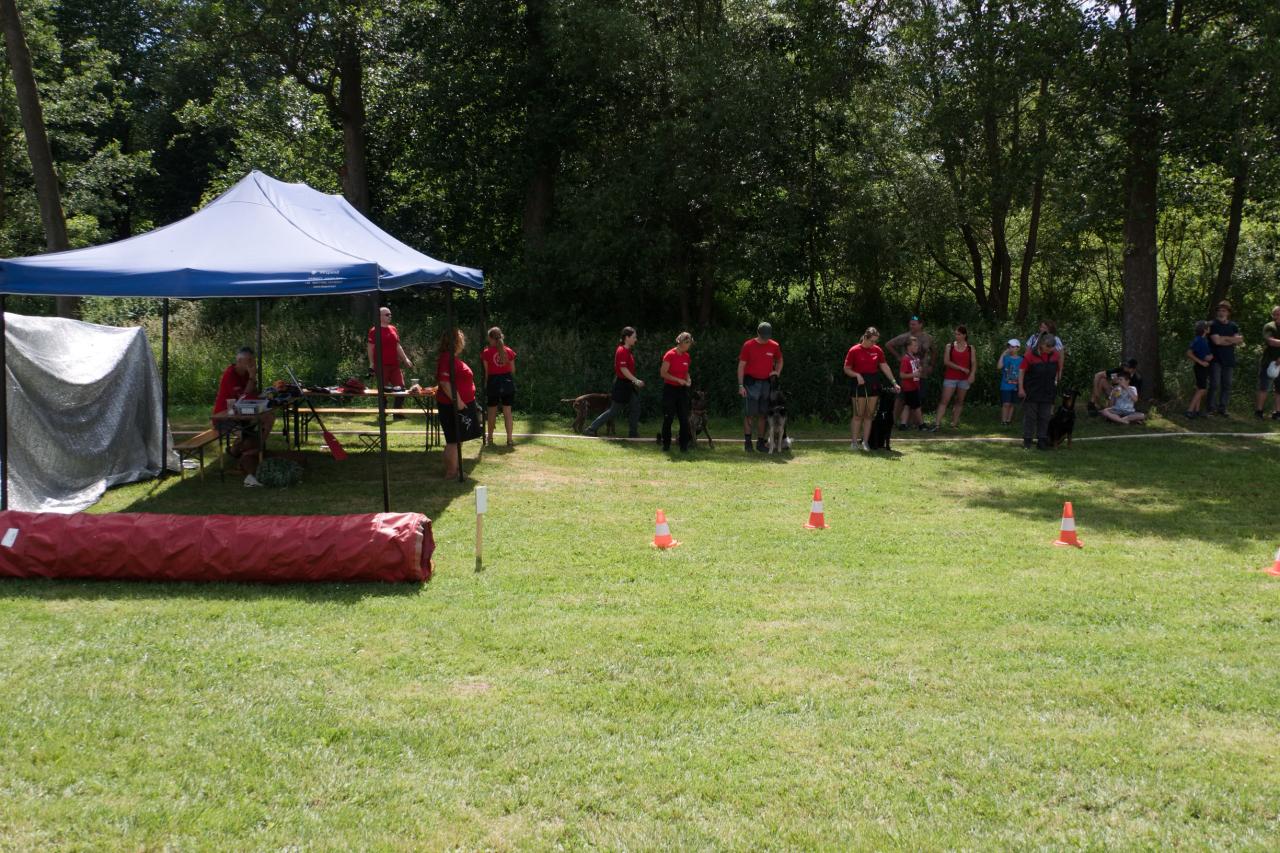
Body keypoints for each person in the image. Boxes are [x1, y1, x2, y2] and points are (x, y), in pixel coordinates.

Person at [212, 346, 269, 487]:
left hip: (241, 414)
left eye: (253, 361)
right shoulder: (230, 374)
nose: (252, 364)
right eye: (249, 361)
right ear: (239, 361)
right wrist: (252, 377)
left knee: (268, 418)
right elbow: (243, 397)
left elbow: (252, 393)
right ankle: (247, 462)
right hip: (224, 417)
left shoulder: (245, 373)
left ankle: (252, 450)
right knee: (247, 438)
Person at [843, 327, 900, 452]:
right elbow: (846, 369)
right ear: (865, 338)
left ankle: (865, 442)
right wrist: (857, 375)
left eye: (876, 341)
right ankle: (854, 443)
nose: (874, 344)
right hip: (859, 384)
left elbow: (884, 366)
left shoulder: (877, 350)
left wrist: (894, 382)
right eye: (872, 341)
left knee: (869, 415)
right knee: (858, 415)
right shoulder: (854, 350)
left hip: (873, 383)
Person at [586, 326, 645, 438]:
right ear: (627, 337)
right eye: (634, 337)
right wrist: (636, 380)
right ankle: (591, 429)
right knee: (614, 410)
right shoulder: (621, 350)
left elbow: (627, 370)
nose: (636, 339)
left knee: (635, 407)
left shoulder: (628, 351)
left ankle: (633, 433)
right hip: (622, 385)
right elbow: (623, 369)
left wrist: (633, 381)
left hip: (628, 385)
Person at [435, 328, 476, 480]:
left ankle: (454, 469)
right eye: (461, 339)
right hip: (452, 405)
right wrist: (458, 403)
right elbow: (445, 383)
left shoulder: (450, 358)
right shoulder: (447, 358)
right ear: (455, 342)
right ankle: (452, 472)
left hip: (459, 404)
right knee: (454, 440)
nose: (463, 342)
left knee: (456, 439)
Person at [737, 321, 783, 452]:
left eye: (767, 336)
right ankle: (748, 443)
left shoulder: (774, 345)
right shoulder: (748, 345)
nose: (765, 339)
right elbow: (741, 366)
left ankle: (760, 443)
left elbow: (780, 360)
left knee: (763, 415)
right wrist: (741, 385)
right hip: (751, 384)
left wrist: (777, 372)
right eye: (763, 336)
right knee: (749, 414)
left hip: (767, 384)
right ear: (758, 333)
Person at [886, 316, 935, 429]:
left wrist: (931, 365)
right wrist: (898, 356)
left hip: (922, 373)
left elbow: (934, 351)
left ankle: (909, 423)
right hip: (908, 374)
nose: (911, 326)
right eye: (910, 324)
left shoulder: (928, 338)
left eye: (914, 324)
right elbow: (888, 344)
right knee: (901, 398)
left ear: (921, 324)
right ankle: (892, 421)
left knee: (916, 399)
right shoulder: (905, 337)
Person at [1019, 334, 1061, 450]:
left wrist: (1056, 382)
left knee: (1045, 417)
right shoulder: (1030, 355)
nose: (1050, 349)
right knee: (1030, 417)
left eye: (1052, 347)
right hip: (1032, 391)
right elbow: (1021, 371)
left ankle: (1042, 440)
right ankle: (1027, 440)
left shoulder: (1055, 355)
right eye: (1048, 347)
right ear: (1042, 345)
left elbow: (1057, 370)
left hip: (1048, 391)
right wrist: (1021, 388)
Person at [367, 306, 412, 417]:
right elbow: (370, 347)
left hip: (394, 365)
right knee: (383, 390)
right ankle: (383, 412)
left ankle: (397, 412)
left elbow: (397, 346)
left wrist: (405, 359)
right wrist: (371, 363)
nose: (390, 316)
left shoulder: (393, 329)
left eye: (390, 314)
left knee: (401, 388)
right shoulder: (374, 330)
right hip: (381, 365)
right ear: (380, 317)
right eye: (387, 315)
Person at [932, 325, 976, 430]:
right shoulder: (950, 346)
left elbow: (974, 362)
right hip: (950, 377)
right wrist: (961, 368)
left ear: (964, 335)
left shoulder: (970, 348)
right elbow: (946, 362)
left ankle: (954, 424)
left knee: (960, 401)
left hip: (964, 379)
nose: (956, 336)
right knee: (944, 400)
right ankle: (937, 424)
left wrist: (972, 374)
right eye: (955, 334)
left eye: (959, 334)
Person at [481, 327, 517, 446]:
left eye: (489, 338)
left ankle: (490, 438)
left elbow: (487, 373)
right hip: (507, 382)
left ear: (491, 338)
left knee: (491, 412)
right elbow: (513, 370)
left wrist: (486, 384)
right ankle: (509, 439)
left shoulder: (486, 352)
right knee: (508, 412)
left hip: (493, 382)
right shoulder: (509, 351)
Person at [659, 332, 694, 452]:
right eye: (688, 343)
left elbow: (686, 371)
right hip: (670, 390)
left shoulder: (687, 356)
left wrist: (688, 379)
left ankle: (684, 446)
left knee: (684, 419)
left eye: (690, 343)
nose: (689, 345)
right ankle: (666, 445)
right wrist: (677, 380)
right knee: (668, 418)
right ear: (682, 343)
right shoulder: (670, 354)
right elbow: (663, 373)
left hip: (682, 391)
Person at [1207, 300, 1243, 416]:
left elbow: (1239, 340)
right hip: (1215, 359)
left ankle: (1222, 409)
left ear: (1228, 313)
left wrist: (1225, 339)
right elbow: (1216, 341)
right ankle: (1211, 408)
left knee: (1227, 385)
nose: (1221, 313)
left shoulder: (1233, 326)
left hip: (1229, 359)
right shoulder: (1213, 324)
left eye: (1224, 311)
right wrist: (1231, 340)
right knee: (1215, 384)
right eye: (1219, 310)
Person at [1255, 306, 1280, 420]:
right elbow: (1270, 341)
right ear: (1273, 315)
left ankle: (1277, 413)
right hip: (1268, 362)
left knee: (1279, 390)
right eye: (1276, 314)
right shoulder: (1269, 326)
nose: (1278, 316)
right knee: (1264, 387)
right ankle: (1259, 411)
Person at [1185, 320, 1213, 419]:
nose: (1209, 328)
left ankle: (1196, 411)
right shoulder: (1198, 340)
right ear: (1204, 329)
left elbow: (1204, 354)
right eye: (1208, 327)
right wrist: (1201, 362)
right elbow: (1189, 353)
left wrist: (1209, 357)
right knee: (1202, 389)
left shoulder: (1203, 340)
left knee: (1199, 388)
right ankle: (1189, 410)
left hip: (1204, 367)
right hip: (1200, 367)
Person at [898, 336, 925, 429]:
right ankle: (921, 425)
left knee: (907, 405)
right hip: (909, 387)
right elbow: (902, 375)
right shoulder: (905, 359)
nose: (917, 347)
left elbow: (916, 370)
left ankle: (903, 424)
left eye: (917, 345)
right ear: (908, 347)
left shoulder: (914, 358)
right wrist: (914, 374)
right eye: (915, 345)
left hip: (915, 385)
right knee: (917, 406)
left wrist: (919, 369)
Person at [997, 339, 1023, 426]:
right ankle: (1003, 421)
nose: (1010, 348)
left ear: (1018, 348)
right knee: (1006, 403)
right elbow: (999, 366)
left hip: (1015, 386)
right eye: (1009, 347)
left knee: (1012, 404)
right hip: (1005, 385)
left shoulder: (1021, 360)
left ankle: (1008, 421)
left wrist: (1021, 386)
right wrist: (1003, 354)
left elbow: (1022, 373)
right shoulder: (1006, 358)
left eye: (1012, 347)